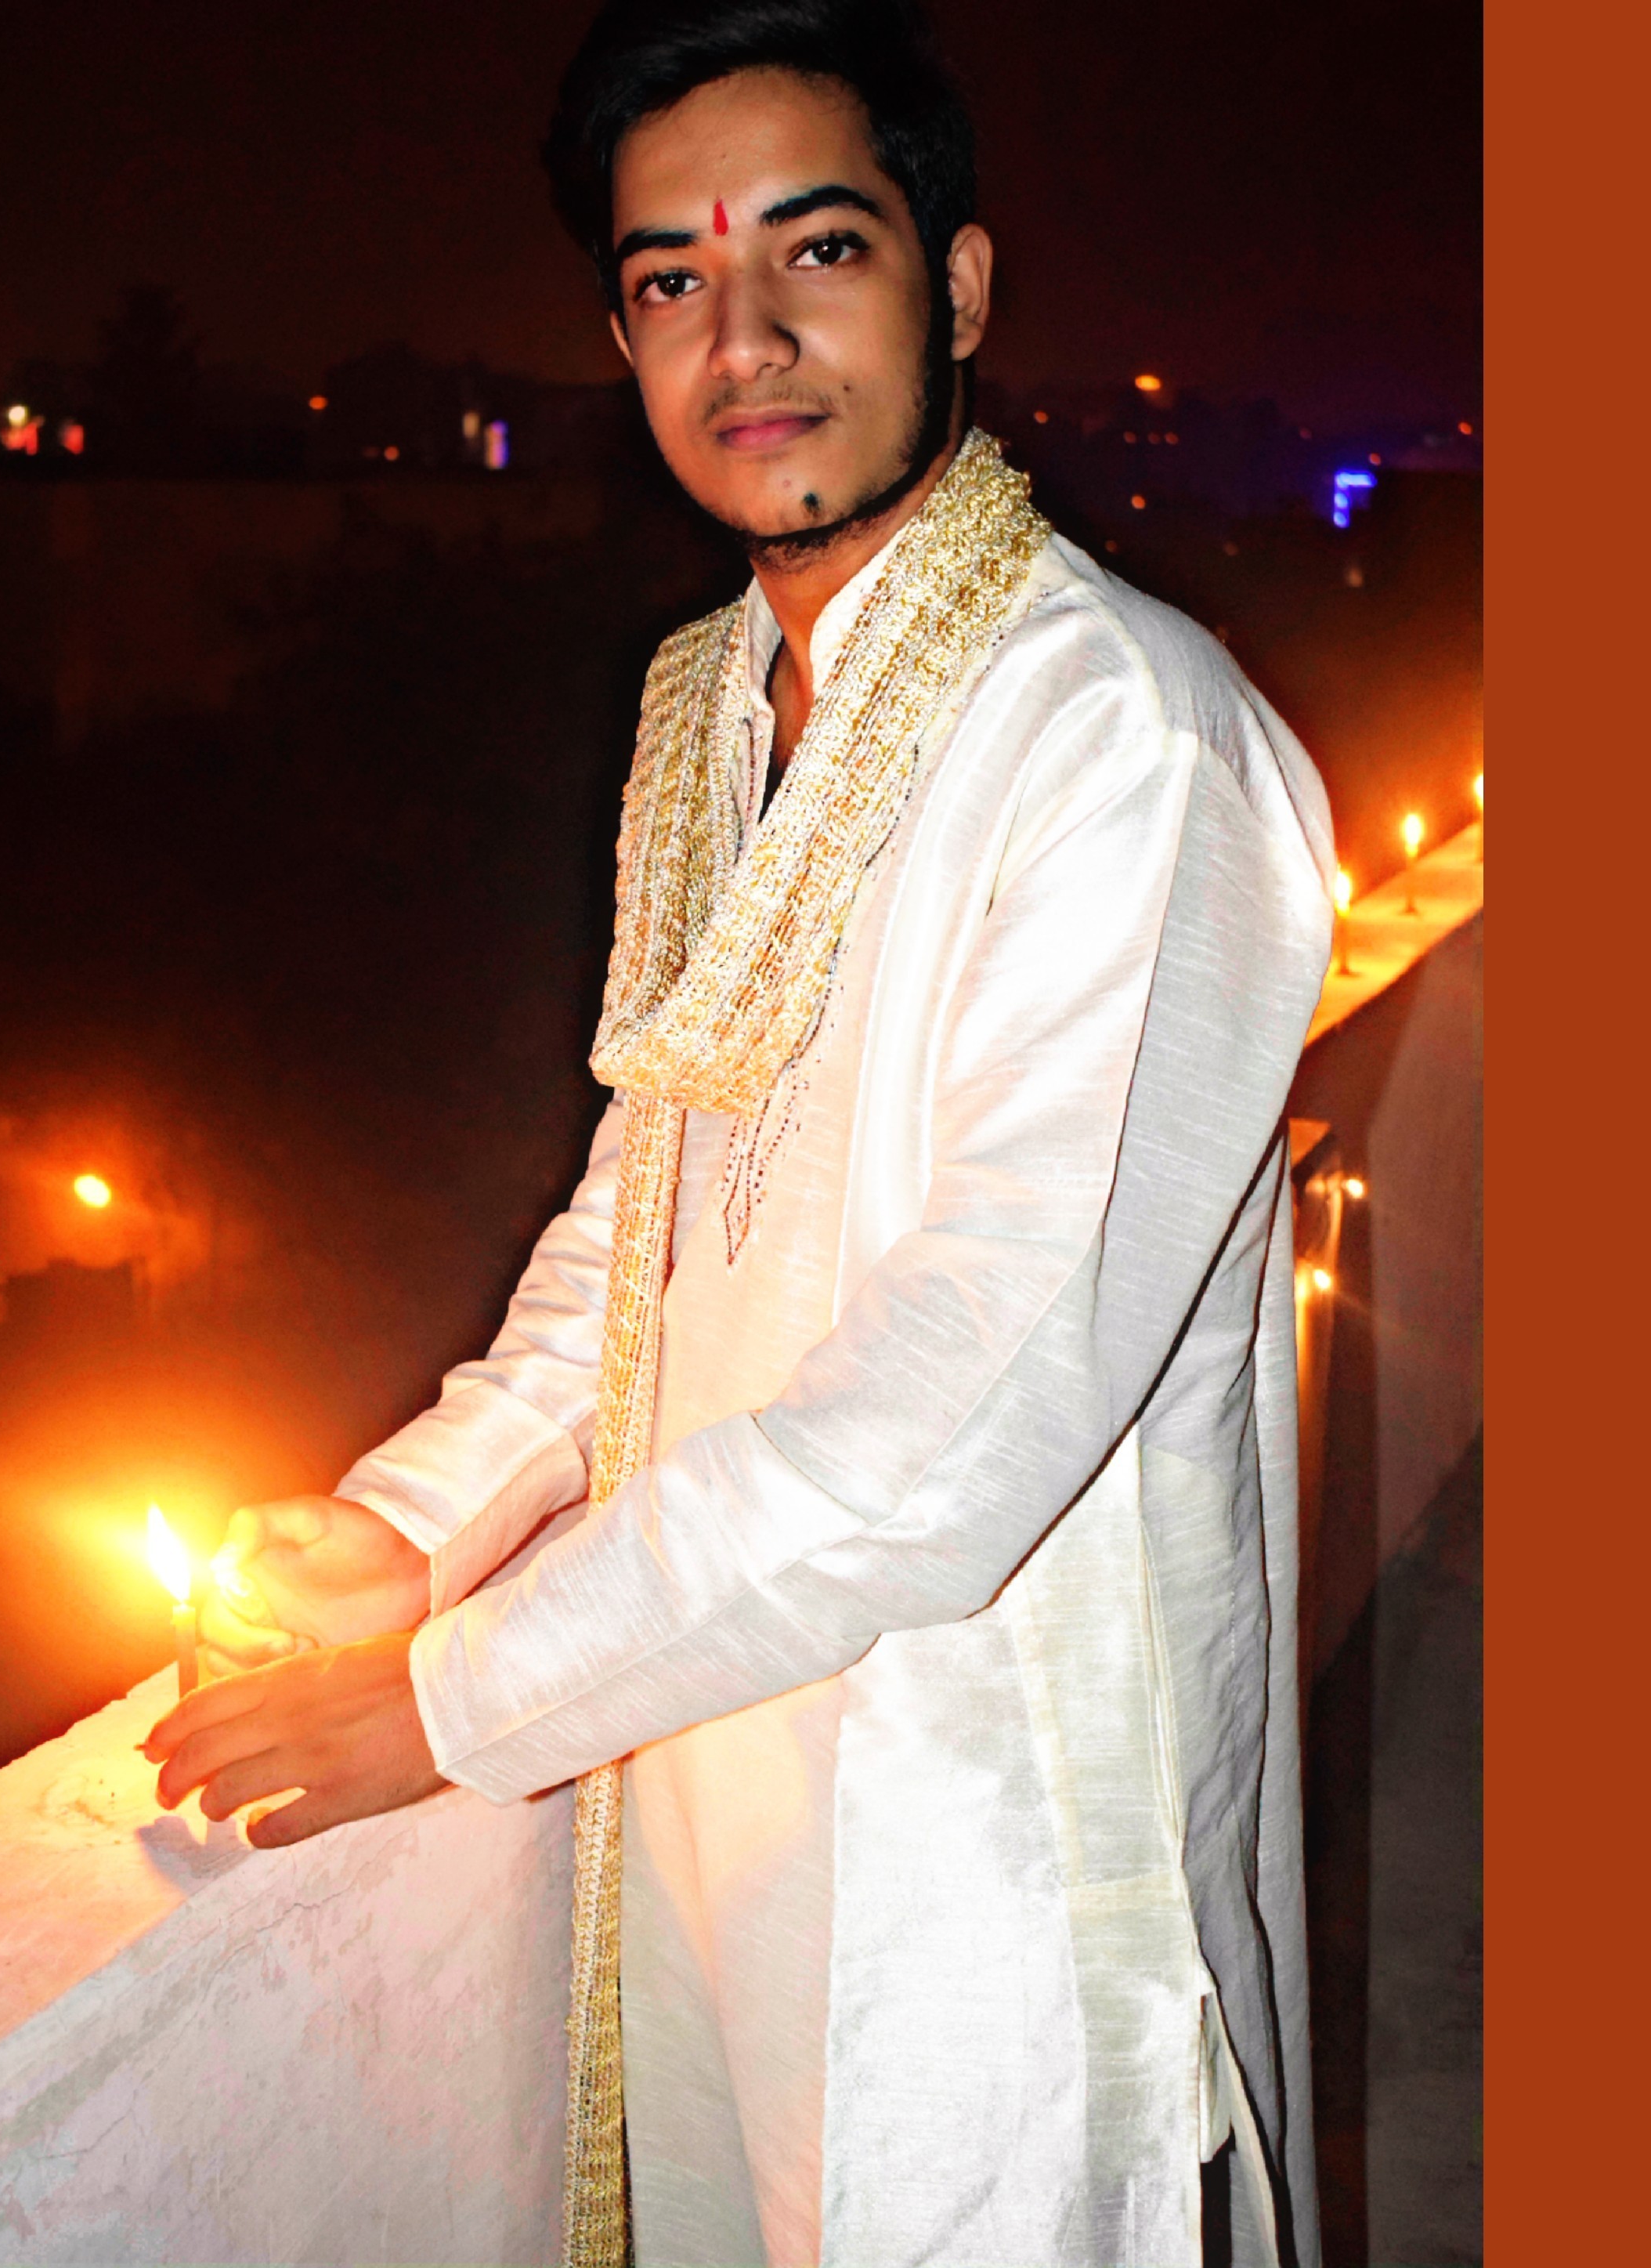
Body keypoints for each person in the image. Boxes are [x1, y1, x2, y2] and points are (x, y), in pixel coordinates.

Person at [143, 5, 1335, 2262]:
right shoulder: (712, 707)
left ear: (957, 286)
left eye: (821, 249)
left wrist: (460, 1696)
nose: (749, 335)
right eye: (675, 279)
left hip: (990, 1877)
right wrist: (420, 1524)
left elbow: (968, 1399)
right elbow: (650, 1208)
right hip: (718, 1801)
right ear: (621, 341)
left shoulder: (1128, 742)